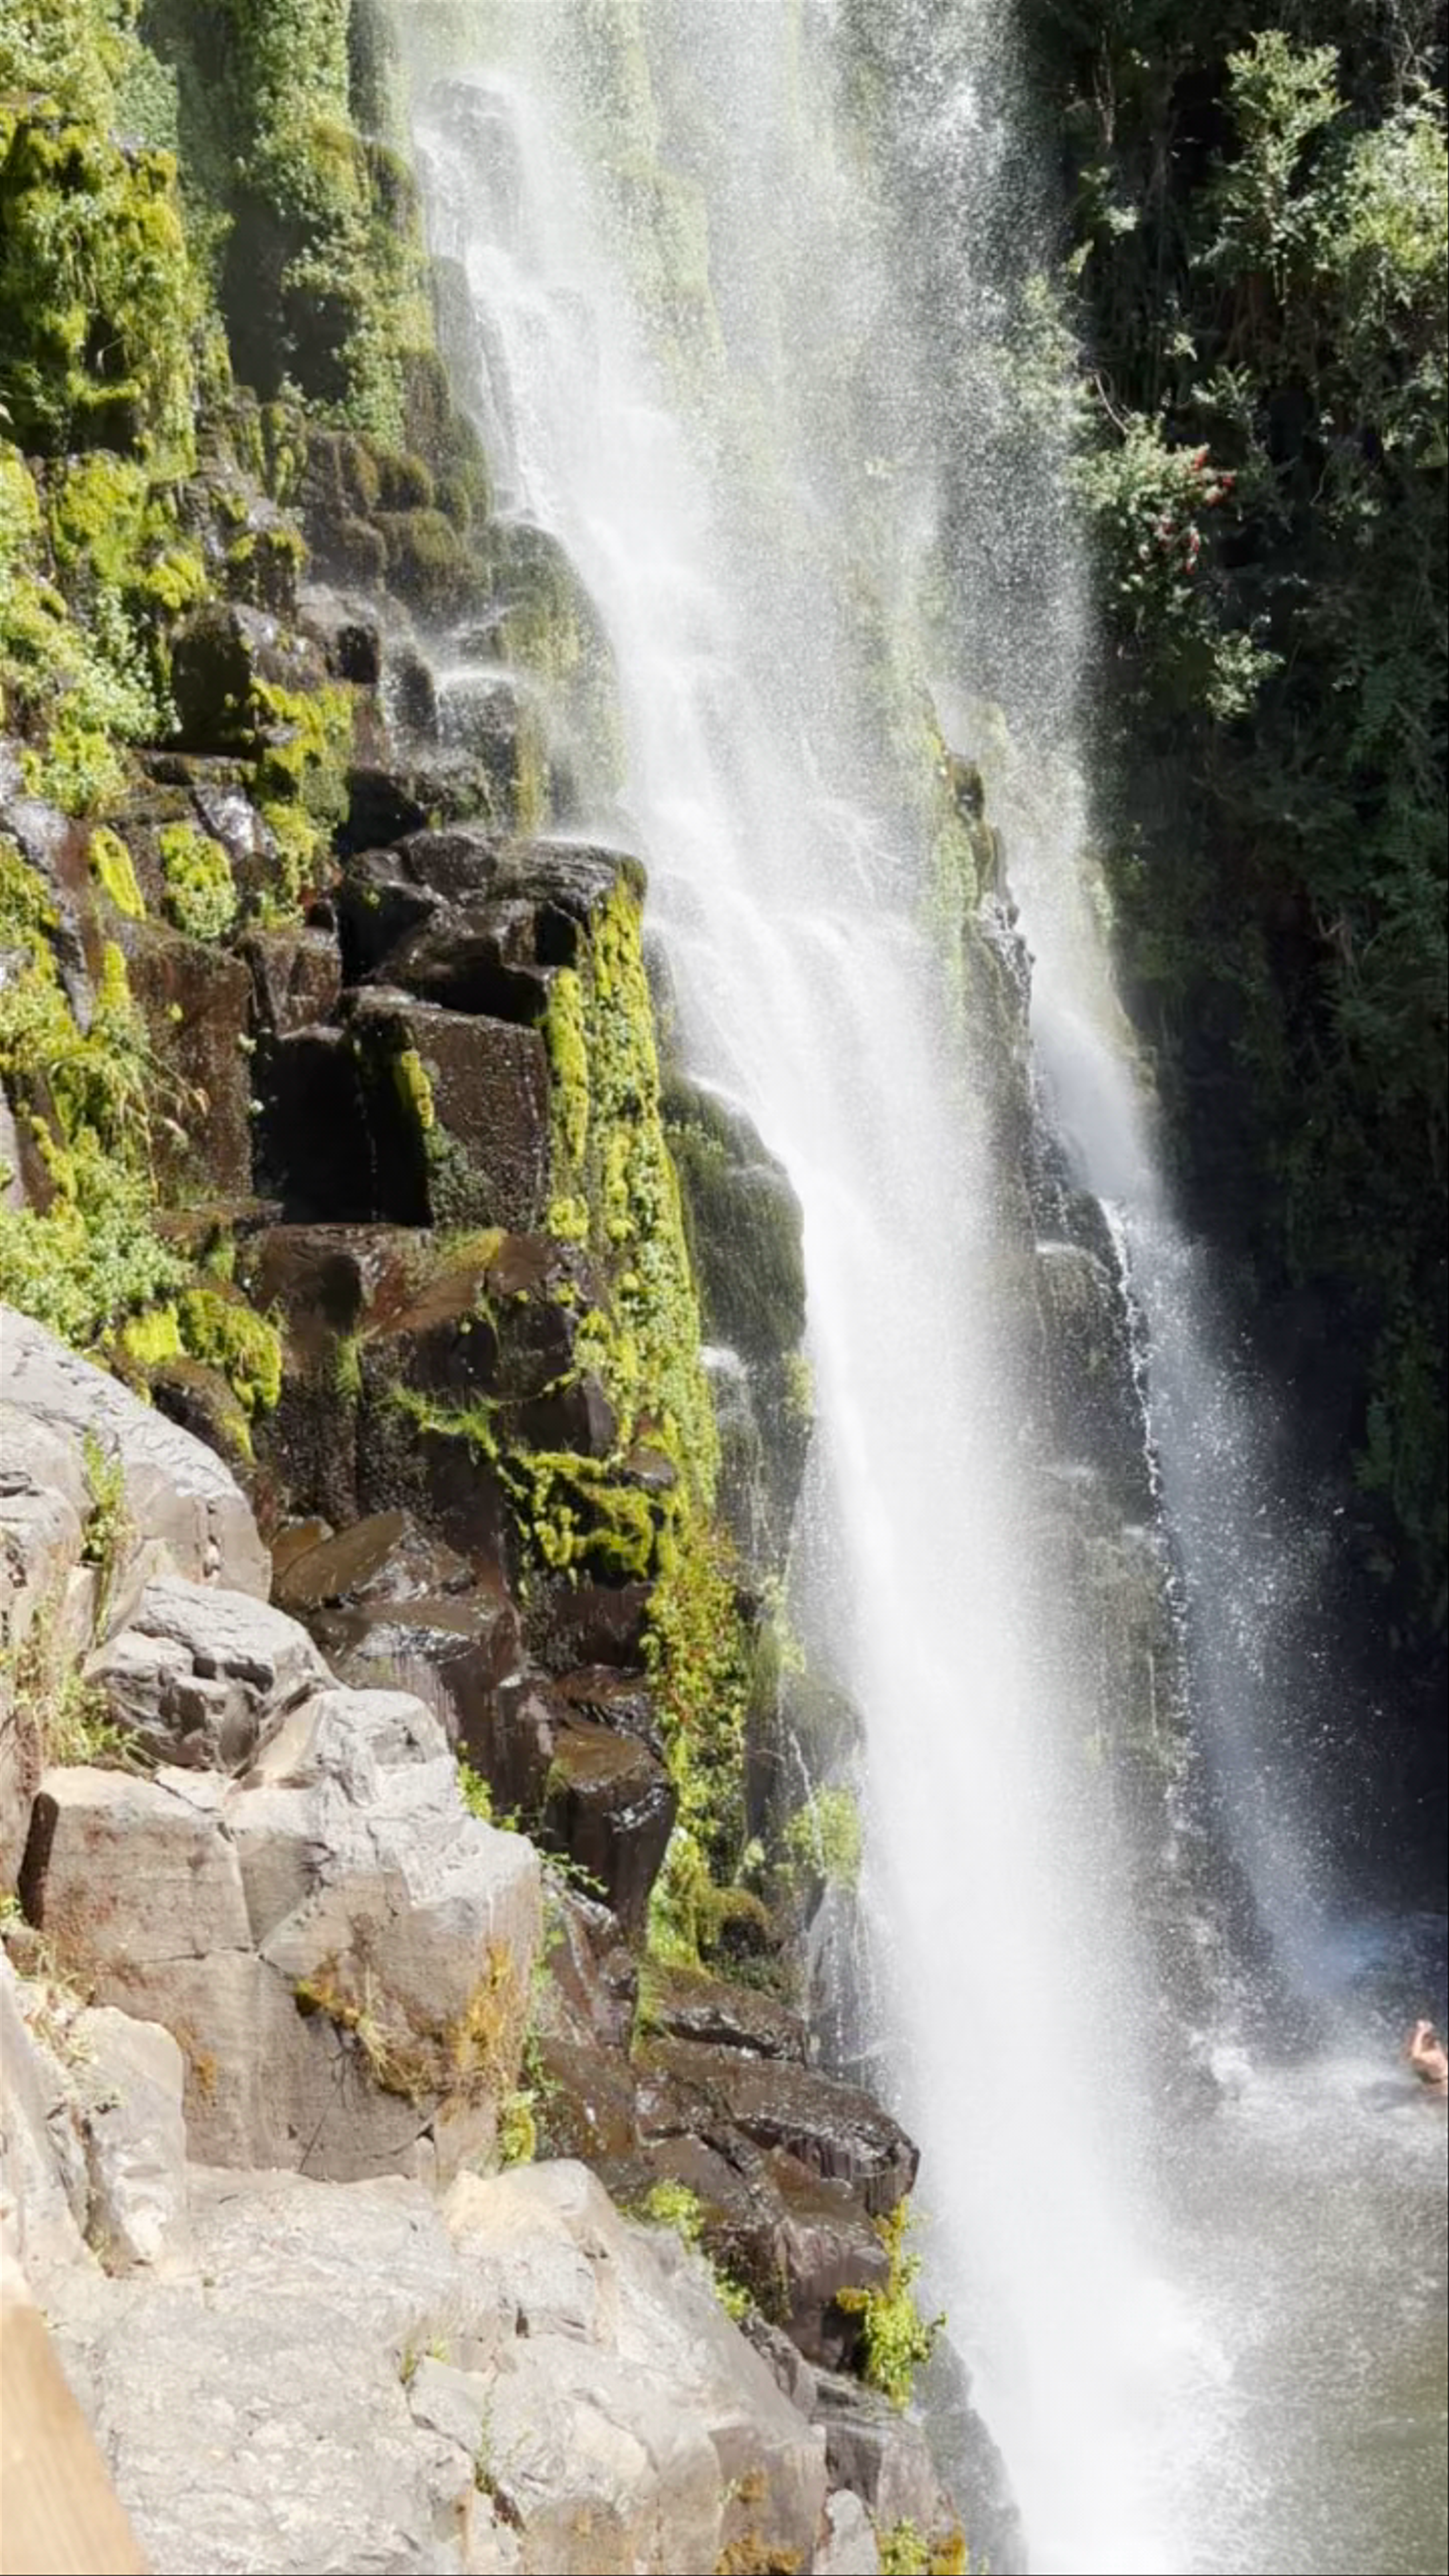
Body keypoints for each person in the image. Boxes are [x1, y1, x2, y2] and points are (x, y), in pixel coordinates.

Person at [1405, 2018, 1448, 2095]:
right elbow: (1409, 2057)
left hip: (1443, 2096)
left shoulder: (1434, 2055)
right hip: (1431, 2091)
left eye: (1415, 2038)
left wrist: (1421, 2032)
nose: (1413, 2040)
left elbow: (1416, 2056)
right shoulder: (1420, 2050)